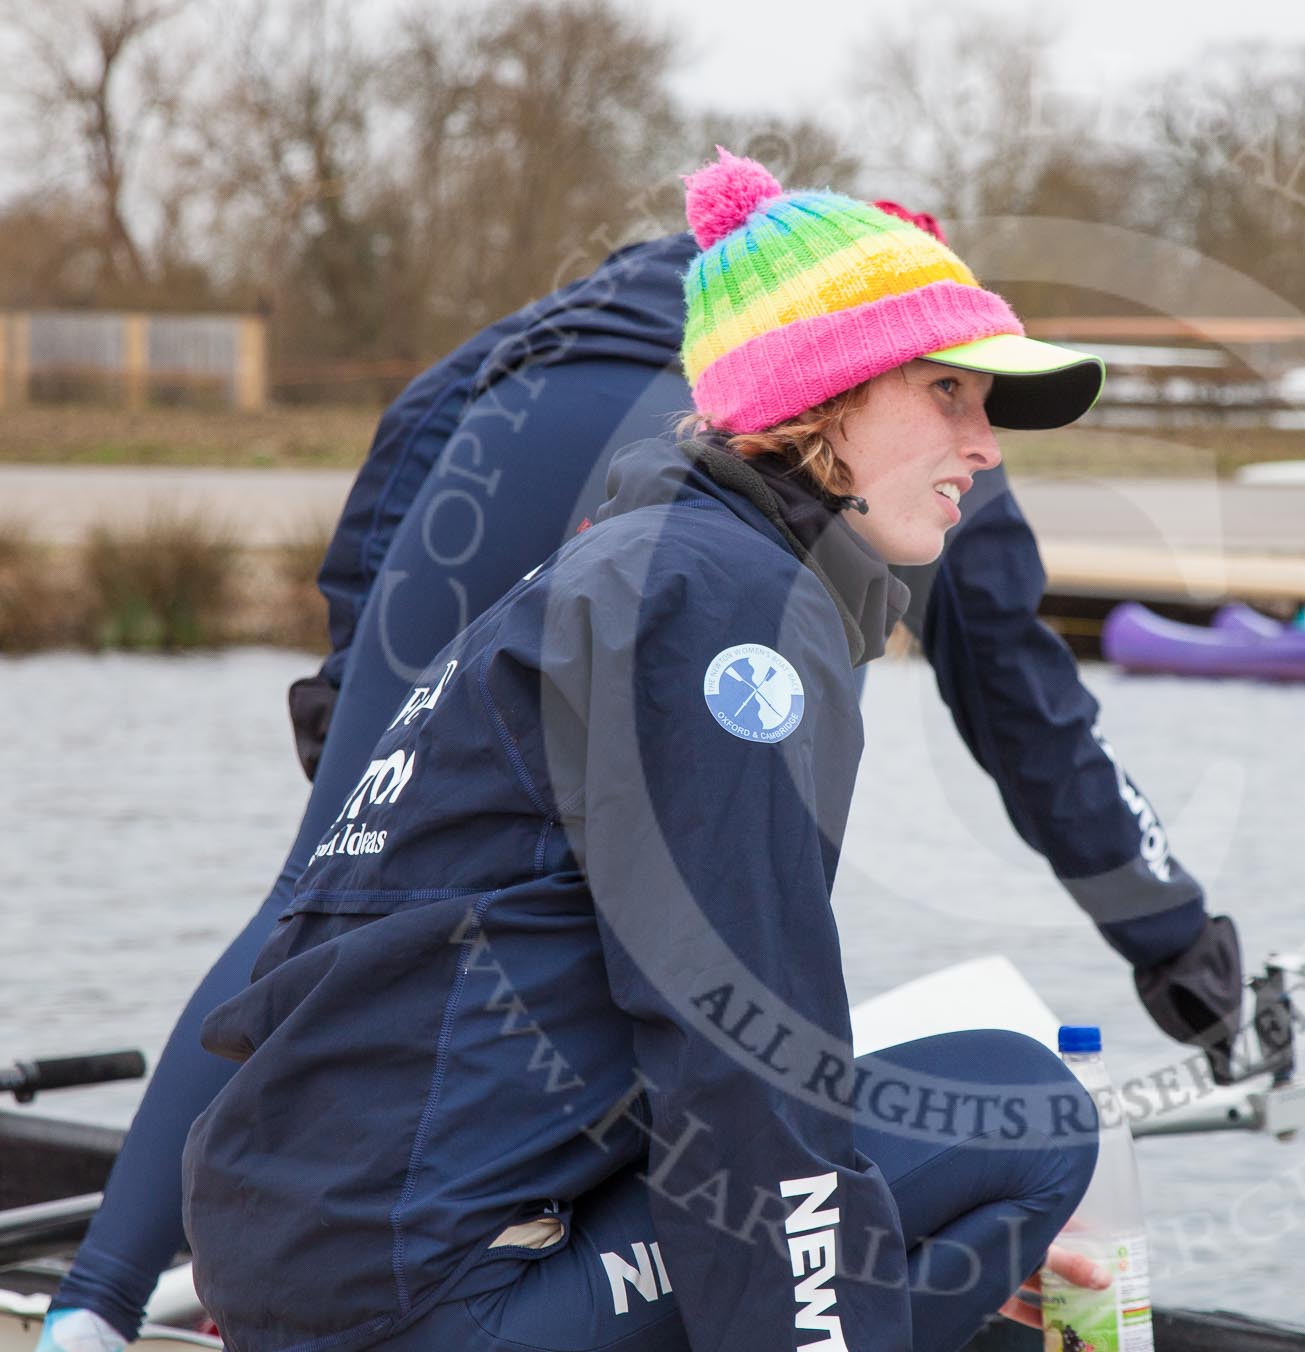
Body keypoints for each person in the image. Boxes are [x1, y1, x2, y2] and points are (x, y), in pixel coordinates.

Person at [39, 166, 1244, 1351]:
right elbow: (742, 1059)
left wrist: (909, 1253)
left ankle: (96, 1302)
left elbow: (418, 420)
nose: (986, 447)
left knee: (951, 1124)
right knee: (1025, 1108)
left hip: (297, 1250)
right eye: (950, 394)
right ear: (826, 398)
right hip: (426, 1301)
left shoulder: (636, 556)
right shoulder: (732, 613)